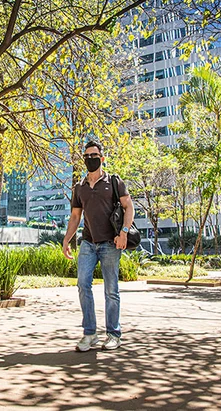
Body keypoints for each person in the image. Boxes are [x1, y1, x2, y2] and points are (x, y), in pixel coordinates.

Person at [62, 140, 135, 352]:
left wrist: (124, 232)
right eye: (87, 157)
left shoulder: (113, 181)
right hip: (88, 242)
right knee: (83, 284)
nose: (90, 160)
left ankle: (113, 334)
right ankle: (90, 333)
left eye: (94, 156)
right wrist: (67, 238)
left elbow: (128, 207)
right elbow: (75, 216)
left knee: (111, 290)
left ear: (102, 158)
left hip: (111, 243)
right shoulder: (79, 187)